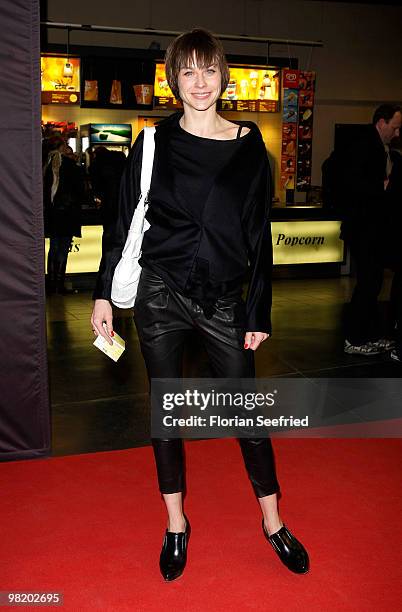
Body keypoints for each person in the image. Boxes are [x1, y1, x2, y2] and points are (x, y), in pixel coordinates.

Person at [91, 29, 309, 581]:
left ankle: (274, 521)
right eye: (187, 71)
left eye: (208, 70)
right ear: (173, 81)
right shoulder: (153, 144)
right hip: (158, 293)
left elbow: (258, 232)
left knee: (247, 416)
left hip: (221, 299)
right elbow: (123, 224)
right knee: (166, 417)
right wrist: (102, 295)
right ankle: (175, 524)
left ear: (223, 76)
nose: (200, 82)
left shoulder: (248, 144)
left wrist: (257, 311)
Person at [340, 104, 401, 355]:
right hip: (365, 228)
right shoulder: (365, 145)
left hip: (369, 228)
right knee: (368, 283)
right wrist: (382, 187)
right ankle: (355, 338)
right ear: (381, 122)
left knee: (372, 283)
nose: (397, 133)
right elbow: (355, 184)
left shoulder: (378, 146)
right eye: (395, 127)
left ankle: (368, 334)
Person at [43, 139, 83, 294]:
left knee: (53, 248)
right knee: (62, 249)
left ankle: (50, 284)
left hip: (52, 214)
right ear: (62, 148)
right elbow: (80, 192)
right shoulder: (71, 166)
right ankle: (59, 284)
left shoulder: (46, 165)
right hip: (67, 214)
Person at [90, 146, 126, 235]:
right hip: (123, 200)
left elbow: (96, 185)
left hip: (107, 201)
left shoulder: (97, 165)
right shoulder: (120, 159)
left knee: (108, 230)